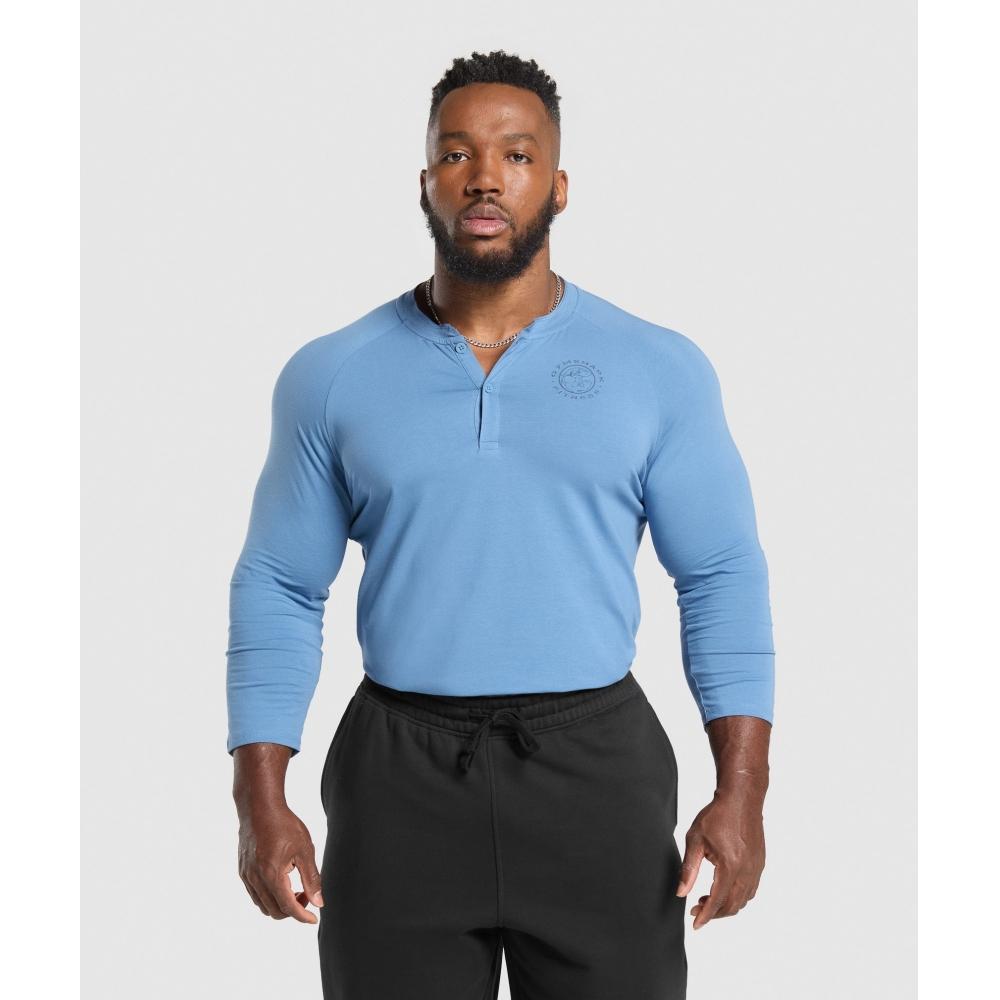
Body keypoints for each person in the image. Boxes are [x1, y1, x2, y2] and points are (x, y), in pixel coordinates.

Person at [226, 49, 775, 1000]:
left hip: (597, 772)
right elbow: (280, 583)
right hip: (397, 775)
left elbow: (720, 574)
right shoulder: (332, 375)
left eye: (517, 156)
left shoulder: (657, 368)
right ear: (426, 183)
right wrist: (258, 799)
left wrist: (743, 792)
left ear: (557, 186)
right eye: (458, 154)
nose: (486, 177)